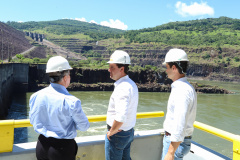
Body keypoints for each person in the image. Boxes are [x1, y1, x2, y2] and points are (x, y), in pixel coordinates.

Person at [29, 56, 90, 160]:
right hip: (62, 150)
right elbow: (84, 126)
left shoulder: (35, 96)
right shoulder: (71, 101)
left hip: (42, 146)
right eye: (69, 75)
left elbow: (33, 120)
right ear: (65, 77)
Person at [161, 48, 197, 160]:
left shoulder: (181, 91)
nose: (166, 71)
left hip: (175, 144)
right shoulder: (186, 87)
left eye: (167, 67)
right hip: (179, 142)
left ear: (174, 67)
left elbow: (180, 122)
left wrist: (170, 152)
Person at [105, 50, 139, 160]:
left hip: (118, 135)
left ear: (122, 69)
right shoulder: (131, 84)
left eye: (112, 67)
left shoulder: (122, 88)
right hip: (128, 132)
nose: (109, 70)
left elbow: (120, 117)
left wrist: (111, 132)